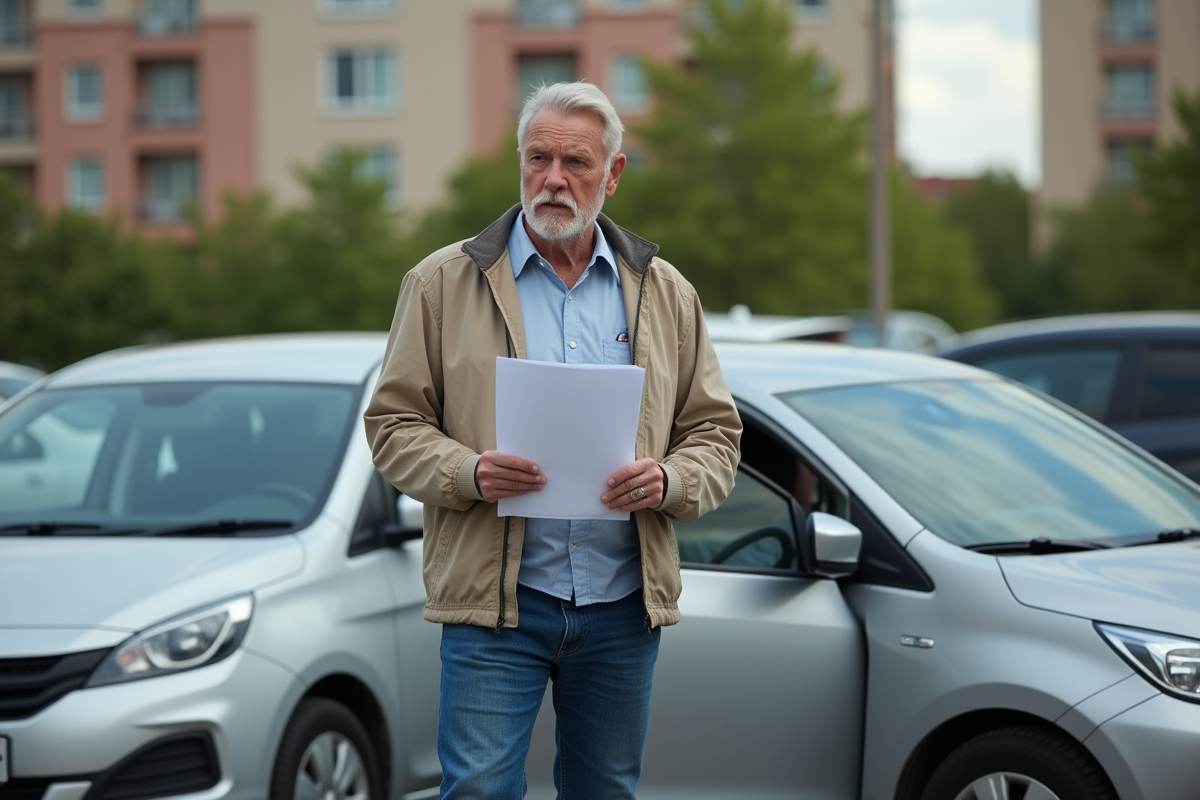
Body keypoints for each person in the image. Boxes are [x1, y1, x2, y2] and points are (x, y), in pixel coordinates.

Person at [364, 81, 741, 800]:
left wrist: (670, 481)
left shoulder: (667, 293)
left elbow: (716, 436)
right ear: (519, 162)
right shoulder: (441, 284)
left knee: (605, 793)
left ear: (615, 173)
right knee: (477, 791)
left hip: (622, 605)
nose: (554, 179)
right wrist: (469, 470)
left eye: (576, 163)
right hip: (497, 606)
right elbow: (391, 426)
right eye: (539, 158)